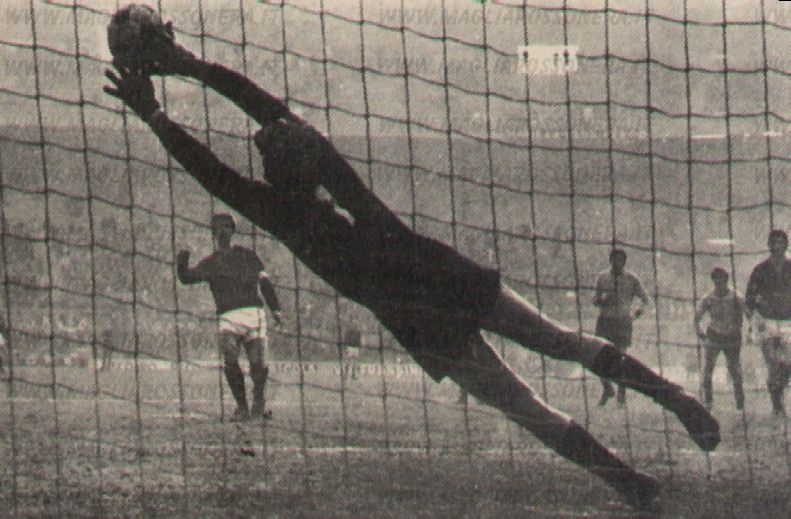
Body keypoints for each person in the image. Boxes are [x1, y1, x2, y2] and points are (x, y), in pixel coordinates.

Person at [101, 22, 719, 510]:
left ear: (274, 170)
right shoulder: (335, 176)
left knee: (524, 405)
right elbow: (260, 106)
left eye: (267, 147)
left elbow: (209, 168)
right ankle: (676, 401)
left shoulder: (283, 215)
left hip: (414, 318)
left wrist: (155, 114)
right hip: (439, 270)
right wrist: (188, 65)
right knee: (561, 341)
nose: (265, 142)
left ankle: (627, 482)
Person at [177, 213, 283, 421]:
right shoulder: (210, 263)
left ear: (233, 230)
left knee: (257, 364)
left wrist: (275, 309)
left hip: (254, 314)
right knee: (230, 358)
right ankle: (242, 407)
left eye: (227, 226)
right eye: (218, 227)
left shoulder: (248, 255)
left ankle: (258, 403)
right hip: (228, 317)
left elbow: (265, 282)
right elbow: (186, 278)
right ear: (213, 233)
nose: (223, 230)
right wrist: (183, 256)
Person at [593, 248, 649, 406]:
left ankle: (621, 396)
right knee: (598, 357)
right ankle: (607, 388)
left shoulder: (631, 278)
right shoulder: (602, 277)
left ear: (624, 262)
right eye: (615, 259)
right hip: (605, 321)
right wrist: (602, 300)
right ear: (610, 260)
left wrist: (638, 312)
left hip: (623, 322)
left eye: (621, 260)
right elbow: (595, 300)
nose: (617, 262)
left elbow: (645, 299)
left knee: (621, 359)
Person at [746, 229, 791, 416]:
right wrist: (753, 322)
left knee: (787, 363)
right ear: (769, 245)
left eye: (781, 242)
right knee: (772, 363)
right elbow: (749, 298)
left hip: (788, 321)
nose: (777, 246)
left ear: (786, 245)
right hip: (767, 321)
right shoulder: (760, 269)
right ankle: (777, 405)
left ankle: (778, 390)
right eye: (774, 242)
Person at [694, 267, 747, 410]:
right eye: (716, 280)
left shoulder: (736, 297)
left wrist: (749, 331)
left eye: (722, 279)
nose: (719, 283)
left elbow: (748, 313)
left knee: (734, 369)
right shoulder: (708, 298)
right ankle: (708, 402)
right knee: (708, 369)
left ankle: (740, 403)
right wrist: (700, 333)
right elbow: (697, 317)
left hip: (732, 336)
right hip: (714, 335)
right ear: (713, 281)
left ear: (726, 280)